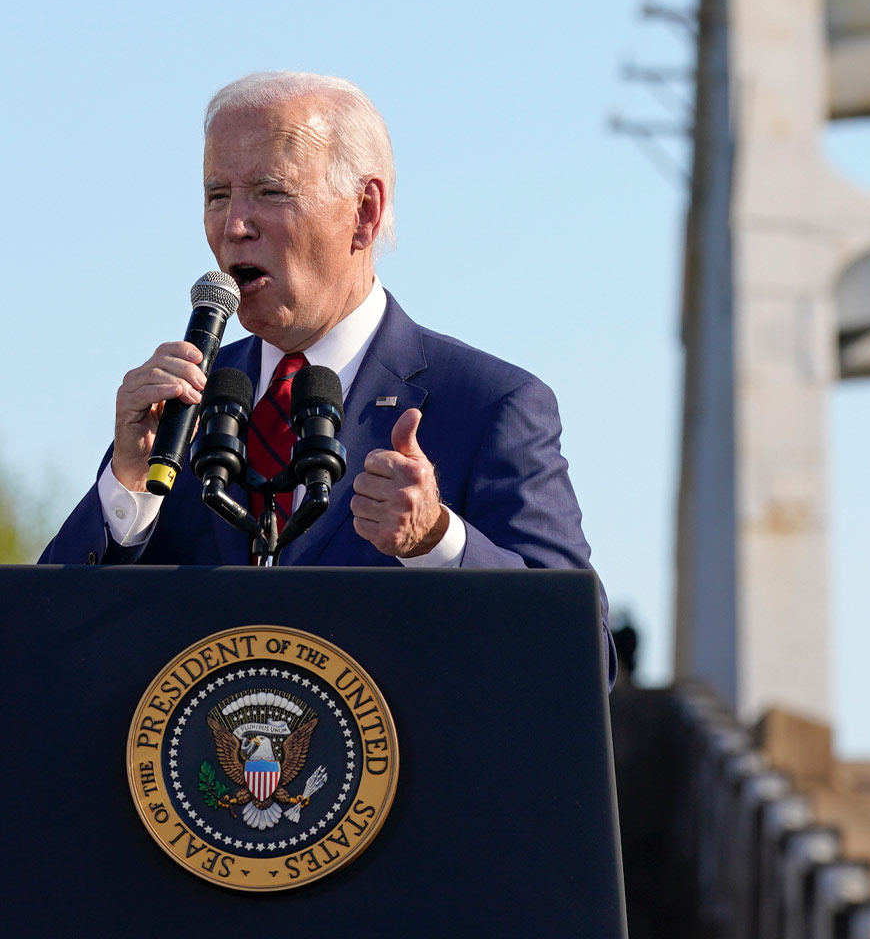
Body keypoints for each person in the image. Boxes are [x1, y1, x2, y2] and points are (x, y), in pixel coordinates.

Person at [42, 72, 610, 653]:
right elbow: (47, 642)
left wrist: (437, 541)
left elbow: (583, 654)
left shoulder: (490, 405)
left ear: (364, 211)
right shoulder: (180, 410)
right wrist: (128, 490)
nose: (234, 225)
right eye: (217, 195)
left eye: (270, 192)